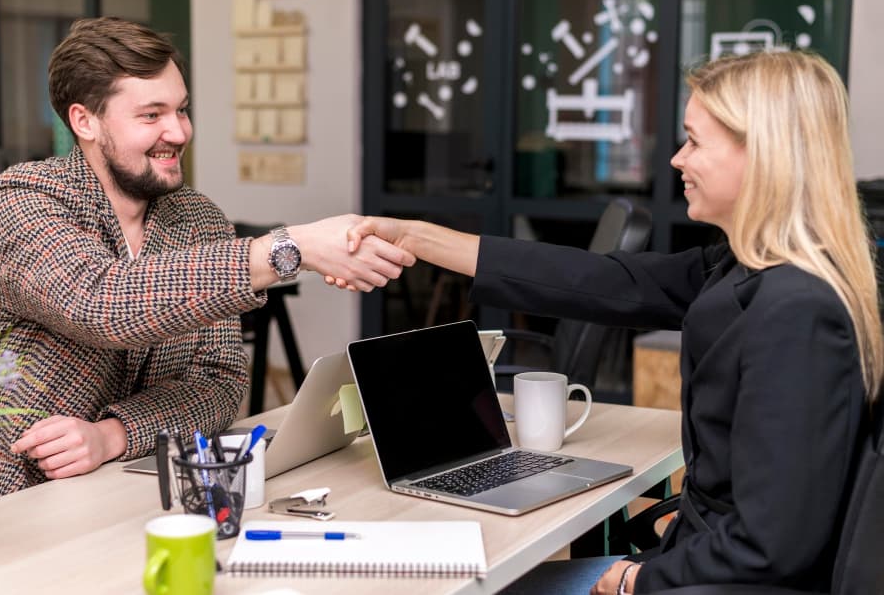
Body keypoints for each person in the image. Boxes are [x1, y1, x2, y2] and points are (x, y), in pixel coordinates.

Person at [338, 50, 881, 593]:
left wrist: (633, 580)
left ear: (763, 154)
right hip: (698, 561)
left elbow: (772, 548)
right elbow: (601, 280)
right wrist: (417, 237)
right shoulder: (746, 266)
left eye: (694, 140)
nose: (676, 159)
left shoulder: (798, 310)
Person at [0, 17, 414, 517]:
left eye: (181, 110)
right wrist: (290, 249)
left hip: (115, 492)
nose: (179, 131)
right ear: (85, 121)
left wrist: (111, 435)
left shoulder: (198, 218)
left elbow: (218, 385)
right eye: (151, 114)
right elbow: (99, 303)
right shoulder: (20, 198)